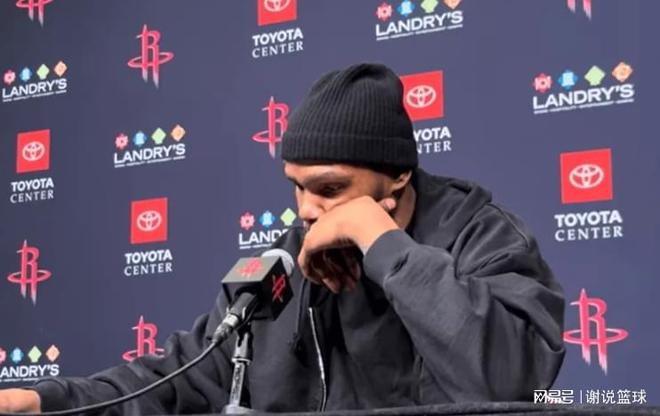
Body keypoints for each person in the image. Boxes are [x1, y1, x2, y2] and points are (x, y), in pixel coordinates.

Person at [0, 63, 565, 414]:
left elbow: (514, 386)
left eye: (331, 189)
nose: (307, 211)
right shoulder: (287, 259)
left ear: (398, 176)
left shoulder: (481, 236)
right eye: (297, 186)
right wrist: (50, 402)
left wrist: (383, 245)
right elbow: (183, 376)